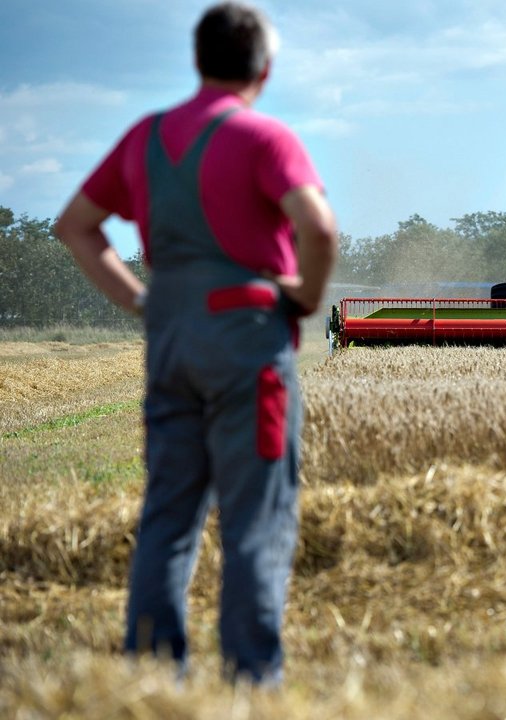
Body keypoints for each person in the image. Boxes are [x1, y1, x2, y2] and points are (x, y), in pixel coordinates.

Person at [55, 2, 338, 684]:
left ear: (197, 61)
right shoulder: (265, 138)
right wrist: (303, 295)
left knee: (169, 514)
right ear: (264, 69)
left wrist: (141, 301)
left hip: (171, 338)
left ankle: (153, 679)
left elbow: (76, 227)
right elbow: (319, 229)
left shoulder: (145, 138)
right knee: (254, 520)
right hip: (247, 338)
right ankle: (251, 680)